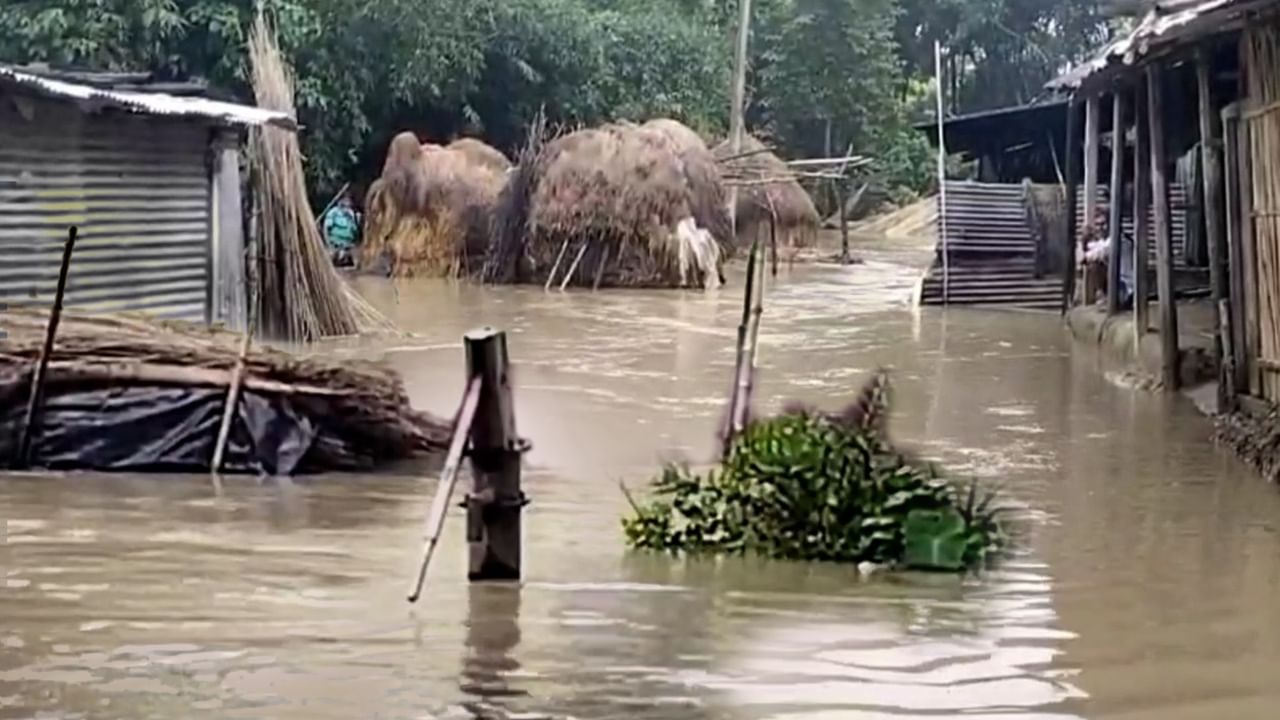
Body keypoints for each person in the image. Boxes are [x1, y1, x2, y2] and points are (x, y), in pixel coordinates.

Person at [322, 193, 359, 267]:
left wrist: (356, 220)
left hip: (348, 245)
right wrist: (329, 244)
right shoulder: (333, 213)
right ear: (340, 201)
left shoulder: (352, 214)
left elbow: (355, 232)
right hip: (335, 244)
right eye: (345, 201)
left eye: (349, 201)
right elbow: (326, 229)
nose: (347, 203)